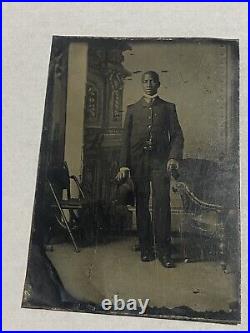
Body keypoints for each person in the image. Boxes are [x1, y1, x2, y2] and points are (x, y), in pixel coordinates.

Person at [116, 71, 184, 268]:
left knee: (162, 204)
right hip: (138, 164)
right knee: (142, 205)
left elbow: (177, 136)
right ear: (141, 84)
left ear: (158, 83)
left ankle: (164, 252)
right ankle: (146, 249)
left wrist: (172, 158)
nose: (148, 84)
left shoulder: (168, 108)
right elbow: (125, 141)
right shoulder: (132, 110)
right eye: (145, 81)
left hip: (160, 164)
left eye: (152, 80)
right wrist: (124, 165)